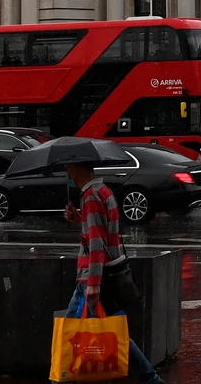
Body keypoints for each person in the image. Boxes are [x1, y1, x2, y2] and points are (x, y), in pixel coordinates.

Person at [63, 161, 164, 384]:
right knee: (116, 335)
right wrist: (79, 221)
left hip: (90, 278)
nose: (67, 172)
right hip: (102, 275)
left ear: (75, 169)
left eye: (68, 168)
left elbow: (98, 243)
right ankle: (151, 379)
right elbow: (102, 234)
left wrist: (93, 283)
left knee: (69, 336)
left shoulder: (90, 195)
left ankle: (62, 379)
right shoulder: (103, 190)